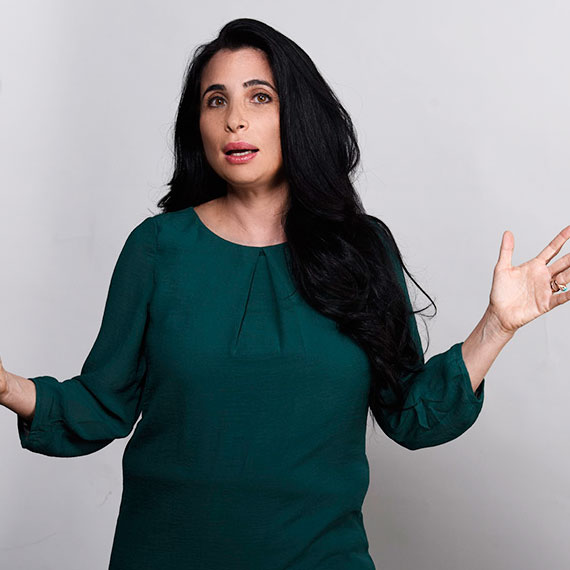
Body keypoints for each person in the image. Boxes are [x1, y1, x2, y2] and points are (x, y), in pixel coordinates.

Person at [2, 17, 569, 570]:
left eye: (260, 97)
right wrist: (7, 386)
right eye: (216, 101)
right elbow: (101, 404)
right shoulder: (157, 249)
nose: (235, 120)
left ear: (297, 113)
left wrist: (498, 325)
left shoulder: (361, 249)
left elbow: (412, 415)